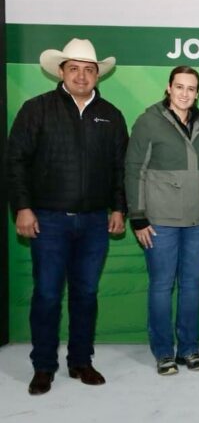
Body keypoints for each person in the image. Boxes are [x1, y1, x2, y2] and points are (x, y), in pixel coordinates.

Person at [6, 38, 128, 395]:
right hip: (48, 219)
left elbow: (120, 168)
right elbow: (16, 162)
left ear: (97, 75)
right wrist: (23, 207)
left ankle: (80, 361)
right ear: (61, 72)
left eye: (88, 69)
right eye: (73, 68)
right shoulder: (36, 109)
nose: (81, 75)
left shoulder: (111, 115)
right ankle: (43, 366)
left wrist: (119, 207)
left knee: (86, 294)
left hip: (94, 222)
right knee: (46, 294)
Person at [125, 66, 199, 376]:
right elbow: (134, 169)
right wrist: (137, 217)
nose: (185, 93)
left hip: (198, 223)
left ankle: (189, 349)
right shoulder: (148, 121)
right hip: (159, 221)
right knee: (162, 285)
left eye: (191, 88)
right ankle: (164, 352)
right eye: (179, 87)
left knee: (192, 286)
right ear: (168, 87)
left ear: (198, 92)